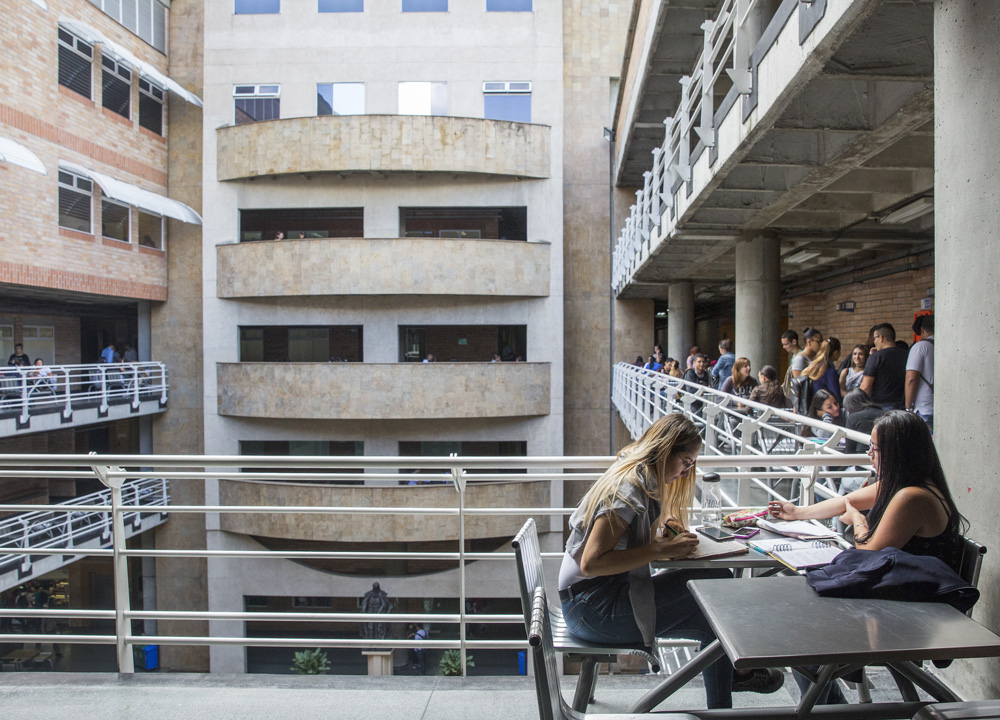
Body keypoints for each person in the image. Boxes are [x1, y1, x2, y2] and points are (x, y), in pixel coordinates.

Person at [559, 414, 783, 709]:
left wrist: (662, 539)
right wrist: (656, 549)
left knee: (713, 613)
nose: (688, 471)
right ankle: (733, 680)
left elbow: (623, 545)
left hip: (593, 599)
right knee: (717, 595)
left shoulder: (638, 477)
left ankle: (728, 688)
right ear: (666, 451)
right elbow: (591, 563)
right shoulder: (628, 491)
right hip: (590, 608)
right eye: (687, 462)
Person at [770, 410, 967, 705]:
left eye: (874, 448)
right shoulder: (905, 486)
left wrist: (857, 520)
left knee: (800, 632)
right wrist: (797, 513)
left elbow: (870, 552)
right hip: (897, 601)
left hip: (912, 616)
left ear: (897, 452)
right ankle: (832, 708)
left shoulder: (912, 497)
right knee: (799, 620)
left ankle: (831, 710)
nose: (868, 454)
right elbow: (845, 501)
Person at [860, 323, 907, 410]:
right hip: (903, 405)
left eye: (875, 338)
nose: (874, 342)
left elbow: (866, 387)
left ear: (881, 338)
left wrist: (858, 404)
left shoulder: (876, 357)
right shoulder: (906, 355)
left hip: (881, 407)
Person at [905, 315, 934, 431]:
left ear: (922, 329)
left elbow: (911, 378)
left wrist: (908, 406)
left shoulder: (920, 347)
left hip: (925, 407)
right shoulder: (948, 346)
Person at [780, 330, 802, 399]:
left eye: (786, 344)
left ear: (794, 342)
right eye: (783, 344)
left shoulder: (801, 356)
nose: (783, 347)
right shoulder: (794, 356)